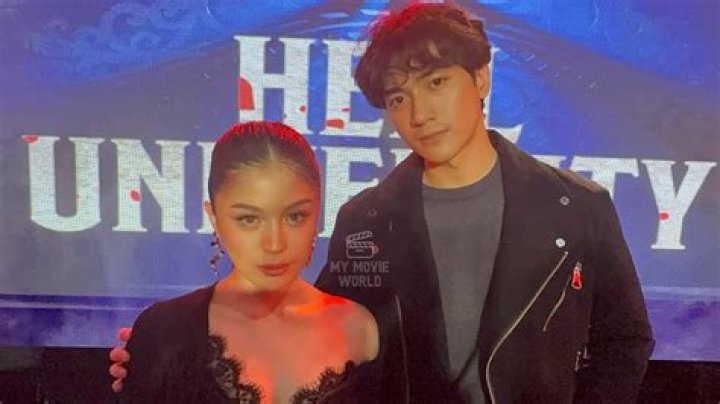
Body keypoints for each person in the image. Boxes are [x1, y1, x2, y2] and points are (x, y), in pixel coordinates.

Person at [111, 3, 654, 403]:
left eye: (436, 82)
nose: (420, 113)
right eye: (399, 96)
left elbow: (625, 339)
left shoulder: (575, 205)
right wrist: (170, 351)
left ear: (481, 77)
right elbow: (319, 327)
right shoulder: (366, 219)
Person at [113, 121, 380, 403]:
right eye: (249, 219)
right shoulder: (165, 330)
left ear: (318, 212)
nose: (275, 244)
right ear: (214, 218)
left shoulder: (360, 329)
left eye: (295, 216)